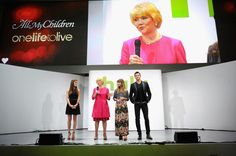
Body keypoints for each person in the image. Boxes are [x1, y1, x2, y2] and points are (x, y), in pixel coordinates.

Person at [120, 2, 187, 64]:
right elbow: (121, 74)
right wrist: (129, 67)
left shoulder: (175, 44)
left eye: (144, 18)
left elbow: (185, 72)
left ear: (155, 19)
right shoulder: (128, 45)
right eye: (136, 20)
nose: (139, 23)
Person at [129, 71, 152, 140]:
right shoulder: (132, 85)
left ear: (140, 76)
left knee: (146, 118)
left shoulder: (145, 84)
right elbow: (130, 95)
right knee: (137, 119)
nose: (137, 76)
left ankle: (148, 134)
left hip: (144, 104)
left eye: (138, 75)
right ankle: (139, 134)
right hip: (137, 104)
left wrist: (147, 100)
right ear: (135, 77)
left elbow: (149, 93)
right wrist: (133, 101)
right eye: (136, 76)